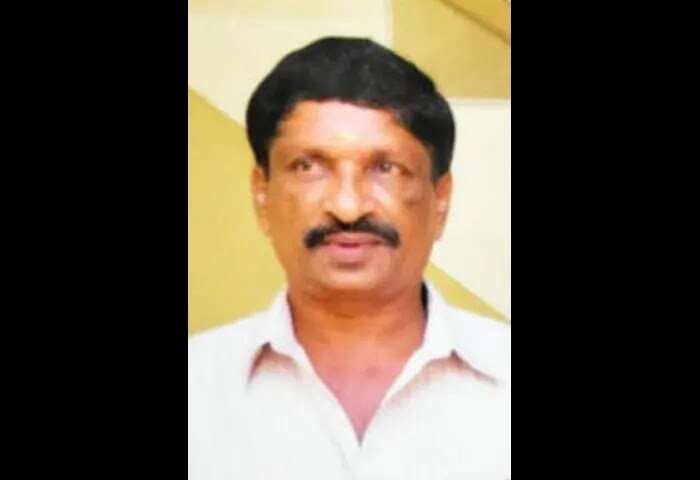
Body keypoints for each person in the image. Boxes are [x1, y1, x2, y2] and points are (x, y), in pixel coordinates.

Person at [188, 36, 510, 479]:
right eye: (308, 166)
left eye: (386, 168)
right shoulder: (198, 386)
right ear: (262, 194)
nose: (347, 206)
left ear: (441, 198)